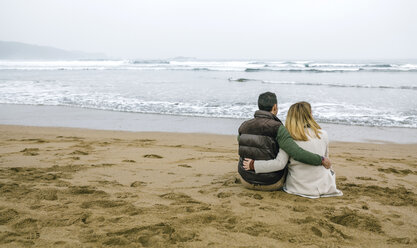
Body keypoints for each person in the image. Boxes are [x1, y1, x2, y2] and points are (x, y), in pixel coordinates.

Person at [243, 101, 343, 198]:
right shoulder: (323, 134)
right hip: (325, 186)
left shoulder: (289, 137)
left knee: (286, 163)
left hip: (298, 187)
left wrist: (254, 165)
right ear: (310, 114)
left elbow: (279, 164)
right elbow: (327, 163)